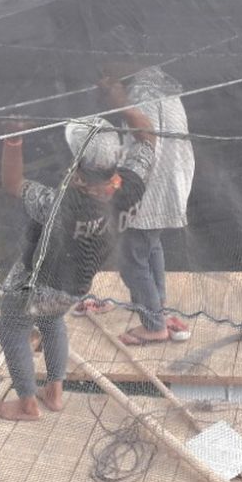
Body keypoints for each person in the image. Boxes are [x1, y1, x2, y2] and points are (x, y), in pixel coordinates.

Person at [0, 93, 156, 421]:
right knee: (53, 321)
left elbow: (13, 184)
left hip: (36, 282)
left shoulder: (59, 206)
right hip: (76, 285)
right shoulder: (133, 185)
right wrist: (121, 101)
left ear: (78, 164)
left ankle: (27, 404)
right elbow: (147, 135)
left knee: (12, 328)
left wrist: (13, 138)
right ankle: (54, 392)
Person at [92, 60, 195, 346]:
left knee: (131, 258)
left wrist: (120, 100)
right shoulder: (159, 83)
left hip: (151, 185)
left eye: (106, 69)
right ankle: (158, 310)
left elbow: (144, 134)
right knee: (151, 246)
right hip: (173, 179)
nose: (104, 77)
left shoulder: (140, 93)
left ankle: (153, 326)